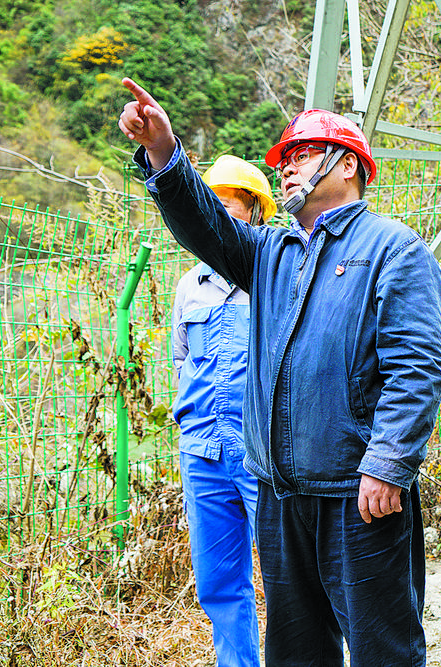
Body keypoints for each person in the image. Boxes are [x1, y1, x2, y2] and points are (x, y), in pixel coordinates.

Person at [119, 77, 441, 667]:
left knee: (382, 649)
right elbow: (206, 225)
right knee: (296, 652)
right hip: (280, 494)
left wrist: (387, 463)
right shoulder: (270, 253)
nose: (287, 168)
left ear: (347, 165)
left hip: (359, 494)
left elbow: (418, 367)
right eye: (285, 159)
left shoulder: (394, 250)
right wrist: (164, 152)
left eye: (302, 154)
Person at [171, 154, 277, 667]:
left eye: (229, 208)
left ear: (255, 213)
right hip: (203, 455)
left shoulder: (273, 275)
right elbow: (182, 362)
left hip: (264, 454)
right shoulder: (188, 288)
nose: (215, 220)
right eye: (209, 207)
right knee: (218, 583)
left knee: (288, 578)